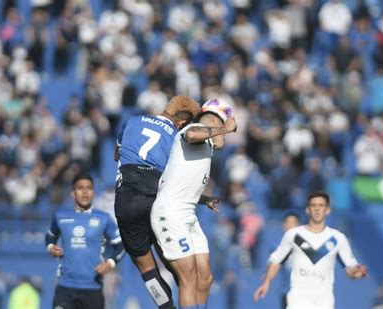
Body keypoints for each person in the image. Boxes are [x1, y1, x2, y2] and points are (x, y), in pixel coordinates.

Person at [114, 95, 201, 308]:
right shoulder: (178, 135)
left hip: (127, 198)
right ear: (182, 121)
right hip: (157, 199)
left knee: (147, 270)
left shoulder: (133, 121)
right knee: (178, 268)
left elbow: (117, 154)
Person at [150, 98, 238, 309]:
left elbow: (179, 184)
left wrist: (204, 199)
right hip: (170, 213)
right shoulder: (196, 129)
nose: (226, 137)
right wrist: (222, 130)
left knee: (205, 278)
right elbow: (191, 135)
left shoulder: (206, 145)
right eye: (226, 131)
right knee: (189, 277)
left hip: (187, 214)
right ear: (217, 123)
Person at [253, 191, 368, 309]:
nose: (317, 209)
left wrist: (356, 273)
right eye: (313, 205)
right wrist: (266, 282)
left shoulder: (337, 238)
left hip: (324, 301)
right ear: (307, 210)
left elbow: (350, 268)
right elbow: (276, 260)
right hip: (298, 299)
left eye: (321, 205)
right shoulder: (294, 235)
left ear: (328, 210)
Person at [45, 173, 124, 309]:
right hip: (65, 287)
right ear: (72, 193)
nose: (85, 191)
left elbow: (120, 245)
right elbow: (50, 236)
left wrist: (111, 263)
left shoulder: (103, 219)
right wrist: (50, 247)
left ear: (93, 193)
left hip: (92, 288)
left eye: (89, 188)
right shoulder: (61, 217)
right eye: (80, 188)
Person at [278, 212, 301, 309]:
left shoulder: (308, 245)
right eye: (288, 222)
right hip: (287, 292)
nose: (290, 225)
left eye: (294, 222)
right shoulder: (278, 246)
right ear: (283, 225)